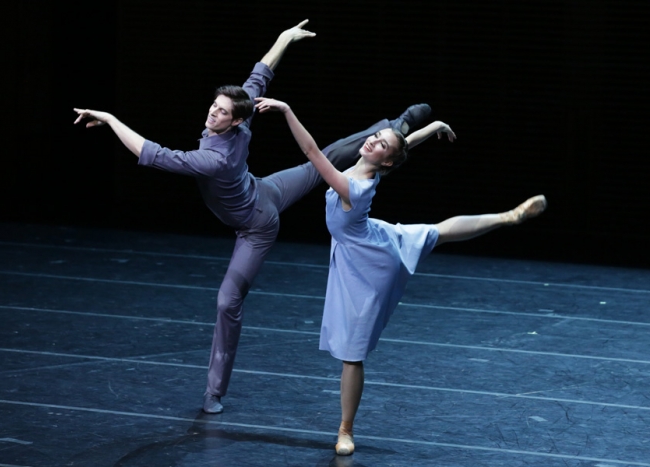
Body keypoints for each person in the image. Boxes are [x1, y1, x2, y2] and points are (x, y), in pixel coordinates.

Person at [74, 20, 432, 414]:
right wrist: (283, 39)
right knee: (324, 161)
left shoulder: (213, 159)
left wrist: (111, 119)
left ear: (236, 120)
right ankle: (395, 127)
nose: (213, 112)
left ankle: (214, 392)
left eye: (221, 111)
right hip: (265, 190)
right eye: (213, 106)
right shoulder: (241, 113)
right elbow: (259, 76)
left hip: (256, 224)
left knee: (227, 301)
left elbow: (153, 153)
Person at [254, 96, 547, 455]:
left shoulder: (354, 187)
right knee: (436, 232)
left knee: (352, 353)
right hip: (370, 240)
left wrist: (286, 110)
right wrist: (434, 127)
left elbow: (312, 151)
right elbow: (402, 144)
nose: (373, 141)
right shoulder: (365, 167)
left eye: (381, 145)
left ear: (386, 161)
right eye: (376, 137)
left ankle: (345, 430)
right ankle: (508, 217)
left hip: (368, 266)